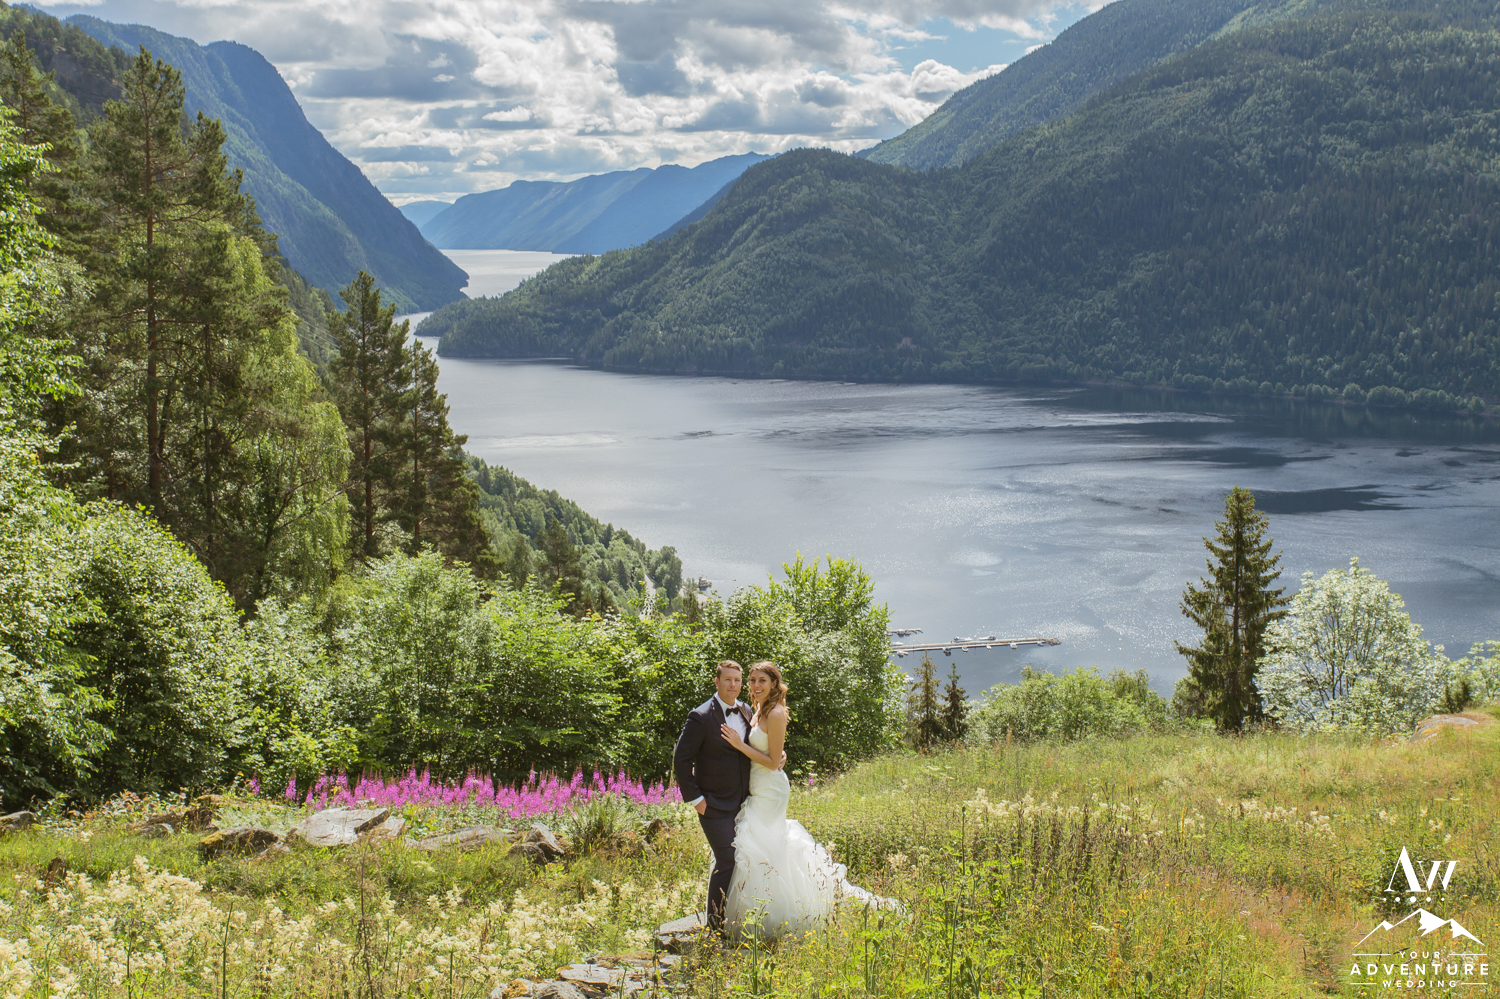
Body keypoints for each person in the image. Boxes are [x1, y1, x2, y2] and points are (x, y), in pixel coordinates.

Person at [718, 660, 894, 940]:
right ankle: (759, 909)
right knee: (759, 844)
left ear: (774, 684)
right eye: (751, 680)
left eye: (762, 681)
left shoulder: (775, 713)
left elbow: (774, 760)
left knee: (763, 845)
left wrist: (740, 745)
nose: (755, 685)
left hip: (770, 791)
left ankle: (777, 914)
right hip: (756, 786)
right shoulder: (755, 709)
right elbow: (771, 753)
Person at [672, 660, 756, 936]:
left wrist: (778, 755)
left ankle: (738, 918)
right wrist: (696, 799)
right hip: (714, 804)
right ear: (717, 682)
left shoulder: (745, 710)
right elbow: (681, 760)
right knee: (727, 860)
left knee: (746, 860)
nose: (734, 685)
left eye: (738, 680)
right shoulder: (701, 716)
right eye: (728, 679)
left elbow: (753, 748)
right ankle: (715, 927)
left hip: (745, 802)